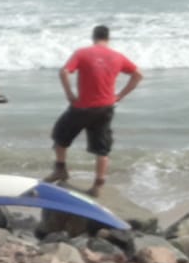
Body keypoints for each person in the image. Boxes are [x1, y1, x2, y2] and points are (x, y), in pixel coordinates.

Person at [46, 24, 142, 197]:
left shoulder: (82, 53)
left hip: (82, 107)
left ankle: (60, 170)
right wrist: (120, 95)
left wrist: (69, 94)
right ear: (108, 38)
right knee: (102, 149)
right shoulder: (117, 56)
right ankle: (98, 185)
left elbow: (64, 72)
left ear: (93, 37)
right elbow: (138, 75)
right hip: (105, 108)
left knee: (59, 136)